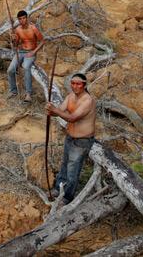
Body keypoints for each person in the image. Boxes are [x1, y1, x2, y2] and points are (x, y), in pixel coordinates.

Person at [45, 73, 96, 203]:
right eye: (73, 83)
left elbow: (72, 118)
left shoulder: (87, 100)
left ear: (84, 85)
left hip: (82, 141)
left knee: (73, 170)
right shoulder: (70, 97)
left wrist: (55, 111)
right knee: (64, 165)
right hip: (70, 137)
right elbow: (60, 110)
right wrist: (51, 110)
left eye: (78, 84)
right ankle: (58, 188)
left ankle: (67, 197)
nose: (75, 86)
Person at [7, 10, 44, 102]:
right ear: (18, 20)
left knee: (26, 67)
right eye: (20, 19)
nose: (22, 20)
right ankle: (13, 91)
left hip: (30, 52)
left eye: (24, 18)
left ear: (27, 18)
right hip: (21, 51)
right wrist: (13, 39)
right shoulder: (18, 30)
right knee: (10, 70)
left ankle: (28, 94)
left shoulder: (33, 28)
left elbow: (42, 41)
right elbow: (16, 45)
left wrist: (34, 52)